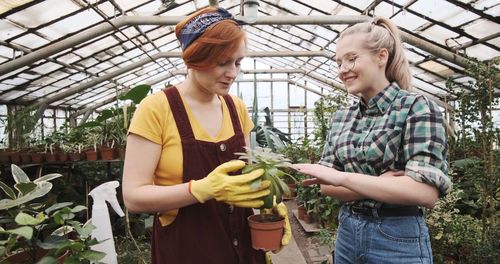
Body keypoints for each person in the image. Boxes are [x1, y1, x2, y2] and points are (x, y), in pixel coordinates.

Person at [122, 7, 290, 264]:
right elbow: (133, 197)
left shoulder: (237, 109)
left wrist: (267, 205)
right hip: (186, 250)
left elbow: (245, 176)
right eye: (222, 62)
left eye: (238, 62)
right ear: (194, 58)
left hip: (243, 249)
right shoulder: (157, 109)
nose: (233, 73)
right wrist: (202, 189)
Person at [293, 17, 452, 264]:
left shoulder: (416, 109)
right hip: (347, 232)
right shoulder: (342, 118)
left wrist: (344, 177)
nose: (342, 69)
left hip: (396, 237)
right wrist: (380, 183)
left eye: (351, 58)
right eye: (338, 62)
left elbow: (424, 192)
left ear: (381, 56)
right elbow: (326, 186)